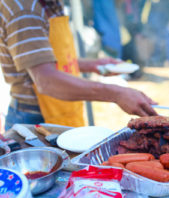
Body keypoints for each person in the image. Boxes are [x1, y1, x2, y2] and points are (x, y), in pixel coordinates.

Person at [0, 0, 157, 130]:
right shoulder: (24, 10)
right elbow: (46, 80)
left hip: (61, 108)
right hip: (34, 118)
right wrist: (117, 93)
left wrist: (92, 65)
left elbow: (45, 58)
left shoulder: (51, 4)